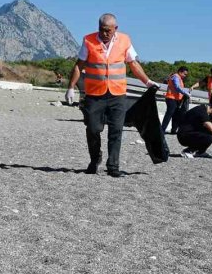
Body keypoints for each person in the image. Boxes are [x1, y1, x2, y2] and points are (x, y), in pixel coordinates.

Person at [65, 13, 156, 177]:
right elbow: (79, 65)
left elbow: (133, 64)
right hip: (94, 94)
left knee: (116, 131)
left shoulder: (125, 40)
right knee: (93, 129)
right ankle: (95, 159)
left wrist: (147, 81)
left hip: (117, 94)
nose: (104, 33)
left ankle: (113, 166)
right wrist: (71, 87)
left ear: (116, 29)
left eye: (108, 30)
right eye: (101, 29)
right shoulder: (88, 40)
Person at [161, 66, 191, 134]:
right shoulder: (176, 77)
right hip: (171, 98)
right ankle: (162, 130)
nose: (185, 76)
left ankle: (173, 130)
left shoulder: (178, 77)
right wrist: (186, 93)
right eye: (184, 74)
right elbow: (177, 87)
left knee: (176, 115)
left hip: (176, 99)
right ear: (180, 72)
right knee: (169, 114)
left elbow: (179, 88)